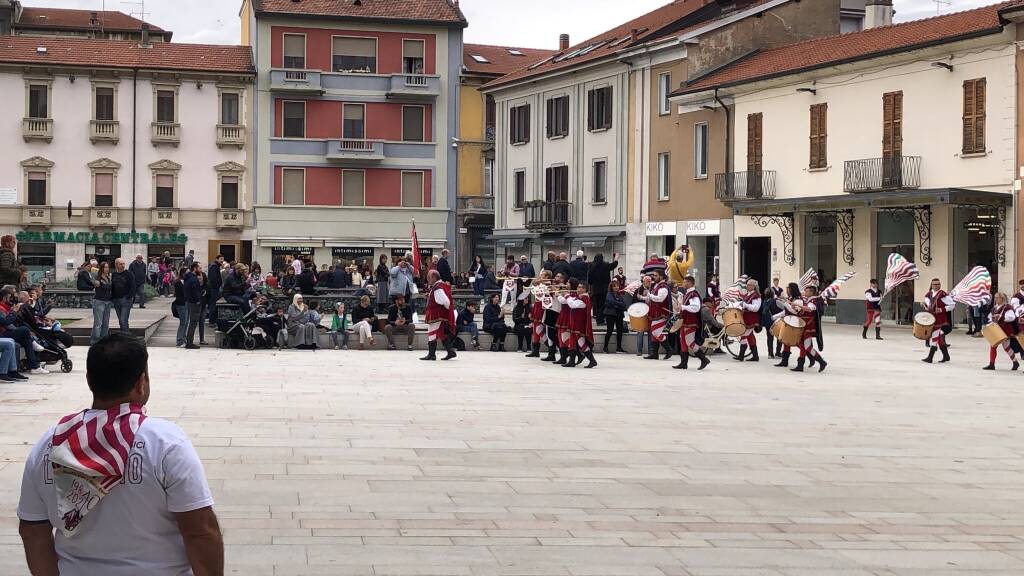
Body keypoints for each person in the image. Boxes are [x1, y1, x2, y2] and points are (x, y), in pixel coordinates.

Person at [18, 333, 223, 576]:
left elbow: (32, 530)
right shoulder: (165, 442)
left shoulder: (49, 444)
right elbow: (200, 530)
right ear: (141, 383)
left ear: (89, 380)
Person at [786, 284, 827, 373]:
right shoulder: (808, 299)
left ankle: (821, 361)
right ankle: (800, 365)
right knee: (801, 344)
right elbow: (802, 311)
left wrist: (797, 304)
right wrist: (795, 307)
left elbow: (809, 309)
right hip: (803, 326)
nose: (805, 292)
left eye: (807, 291)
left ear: (811, 292)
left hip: (808, 327)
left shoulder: (814, 300)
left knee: (808, 347)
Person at [673, 275, 711, 370]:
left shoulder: (693, 294)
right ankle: (683, 363)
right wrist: (680, 311)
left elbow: (696, 307)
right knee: (683, 342)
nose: (683, 283)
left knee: (690, 342)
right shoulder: (688, 293)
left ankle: (704, 359)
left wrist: (683, 307)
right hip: (685, 321)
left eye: (685, 282)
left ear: (690, 283)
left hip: (691, 322)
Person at [421, 270, 457, 361]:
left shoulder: (437, 287)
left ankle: (432, 354)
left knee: (432, 333)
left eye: (429, 277)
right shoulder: (438, 286)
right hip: (438, 314)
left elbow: (445, 301)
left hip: (436, 315)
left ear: (434, 277)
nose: (428, 279)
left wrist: (445, 310)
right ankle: (450, 351)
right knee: (440, 333)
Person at [564, 279, 597, 368]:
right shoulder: (579, 297)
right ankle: (572, 360)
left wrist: (566, 295)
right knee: (572, 341)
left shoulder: (584, 298)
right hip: (575, 323)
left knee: (581, 342)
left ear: (586, 289)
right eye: (578, 287)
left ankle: (592, 360)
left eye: (582, 287)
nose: (579, 289)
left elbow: (572, 305)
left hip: (579, 324)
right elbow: (569, 301)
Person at [984, 292, 1020, 371]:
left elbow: (1012, 317)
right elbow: (989, 317)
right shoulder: (994, 308)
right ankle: (992, 364)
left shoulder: (1007, 307)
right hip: (996, 330)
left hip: (1005, 330)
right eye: (995, 297)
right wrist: (991, 322)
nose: (996, 299)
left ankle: (1015, 362)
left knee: (1006, 348)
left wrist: (1001, 316)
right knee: (993, 345)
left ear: (1002, 298)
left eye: (997, 298)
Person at [923, 278, 954, 364]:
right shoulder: (928, 295)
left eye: (938, 284)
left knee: (935, 337)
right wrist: (925, 306)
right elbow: (927, 305)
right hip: (931, 320)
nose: (937, 285)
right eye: (935, 284)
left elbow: (952, 305)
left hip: (940, 320)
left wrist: (941, 309)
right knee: (939, 338)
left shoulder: (943, 295)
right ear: (932, 285)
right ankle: (946, 356)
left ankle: (930, 357)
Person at [643, 269, 671, 360]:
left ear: (661, 276)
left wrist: (649, 295)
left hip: (661, 313)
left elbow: (660, 299)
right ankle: (654, 354)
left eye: (655, 275)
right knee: (653, 333)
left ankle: (669, 349)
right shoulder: (657, 285)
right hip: (655, 313)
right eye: (653, 275)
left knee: (655, 332)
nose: (653, 277)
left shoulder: (663, 286)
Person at [587, 252, 618, 320]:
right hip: (604, 288)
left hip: (595, 288)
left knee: (596, 304)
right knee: (602, 304)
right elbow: (613, 265)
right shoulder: (605, 265)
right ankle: (600, 319)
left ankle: (597, 317)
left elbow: (589, 278)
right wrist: (616, 258)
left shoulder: (591, 266)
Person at [737, 278, 762, 362]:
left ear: (753, 286)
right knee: (750, 337)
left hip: (751, 319)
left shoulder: (756, 296)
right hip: (746, 318)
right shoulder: (747, 294)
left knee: (743, 337)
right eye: (747, 284)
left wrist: (746, 305)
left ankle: (741, 356)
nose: (747, 286)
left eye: (749, 285)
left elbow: (756, 308)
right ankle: (755, 356)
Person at [111, 258, 136, 336]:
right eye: (120, 264)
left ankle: (126, 337)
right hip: (116, 299)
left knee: (123, 319)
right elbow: (112, 286)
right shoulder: (114, 274)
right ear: (116, 265)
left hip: (126, 299)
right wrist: (112, 297)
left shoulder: (129, 274)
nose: (122, 266)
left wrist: (129, 297)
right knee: (120, 320)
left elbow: (133, 286)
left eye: (123, 264)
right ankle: (124, 336)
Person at [90, 261, 113, 345]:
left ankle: (104, 341)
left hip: (108, 301)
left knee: (106, 323)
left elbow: (110, 288)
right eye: (105, 267)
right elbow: (97, 284)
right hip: (99, 301)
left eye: (107, 267)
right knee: (98, 323)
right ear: (101, 268)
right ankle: (95, 341)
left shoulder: (109, 277)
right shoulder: (97, 277)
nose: (107, 269)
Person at [603, 280, 627, 354]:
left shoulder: (620, 295)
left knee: (620, 331)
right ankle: (605, 347)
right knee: (609, 330)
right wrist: (618, 304)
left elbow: (624, 305)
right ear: (611, 287)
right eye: (614, 286)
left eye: (617, 286)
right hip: (610, 315)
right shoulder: (609, 294)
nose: (616, 287)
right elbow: (610, 302)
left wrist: (616, 305)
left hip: (619, 315)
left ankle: (619, 348)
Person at [183, 263, 203, 349]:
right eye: (199, 268)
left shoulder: (188, 277)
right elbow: (195, 291)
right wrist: (198, 300)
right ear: (195, 268)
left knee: (192, 322)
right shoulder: (193, 279)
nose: (201, 269)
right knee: (193, 322)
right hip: (194, 303)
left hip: (190, 302)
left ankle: (189, 341)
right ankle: (189, 342)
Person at [761, 286, 783, 358]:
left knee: (769, 338)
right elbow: (783, 308)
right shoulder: (775, 301)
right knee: (779, 337)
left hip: (767, 322)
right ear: (773, 294)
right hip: (776, 321)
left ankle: (770, 354)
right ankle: (778, 352)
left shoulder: (764, 302)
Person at [171, 267, 188, 347]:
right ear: (183, 273)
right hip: (181, 304)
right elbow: (179, 294)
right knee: (183, 323)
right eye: (187, 272)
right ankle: (179, 340)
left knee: (185, 323)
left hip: (185, 304)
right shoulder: (178, 282)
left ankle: (183, 339)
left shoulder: (186, 282)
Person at [207, 254, 224, 325]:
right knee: (213, 304)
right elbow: (213, 279)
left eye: (223, 259)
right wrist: (217, 285)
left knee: (213, 304)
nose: (222, 261)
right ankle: (212, 321)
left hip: (214, 288)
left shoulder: (215, 266)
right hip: (214, 289)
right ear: (217, 259)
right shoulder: (214, 266)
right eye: (221, 259)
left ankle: (212, 320)